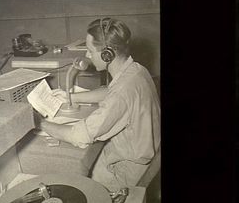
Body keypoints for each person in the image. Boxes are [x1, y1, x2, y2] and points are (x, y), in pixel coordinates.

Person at [35, 17, 160, 191]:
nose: (87, 55)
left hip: (125, 172)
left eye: (89, 50)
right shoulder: (136, 70)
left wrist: (40, 123)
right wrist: (72, 97)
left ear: (106, 54)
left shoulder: (123, 92)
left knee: (70, 175)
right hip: (141, 157)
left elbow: (80, 136)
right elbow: (111, 91)